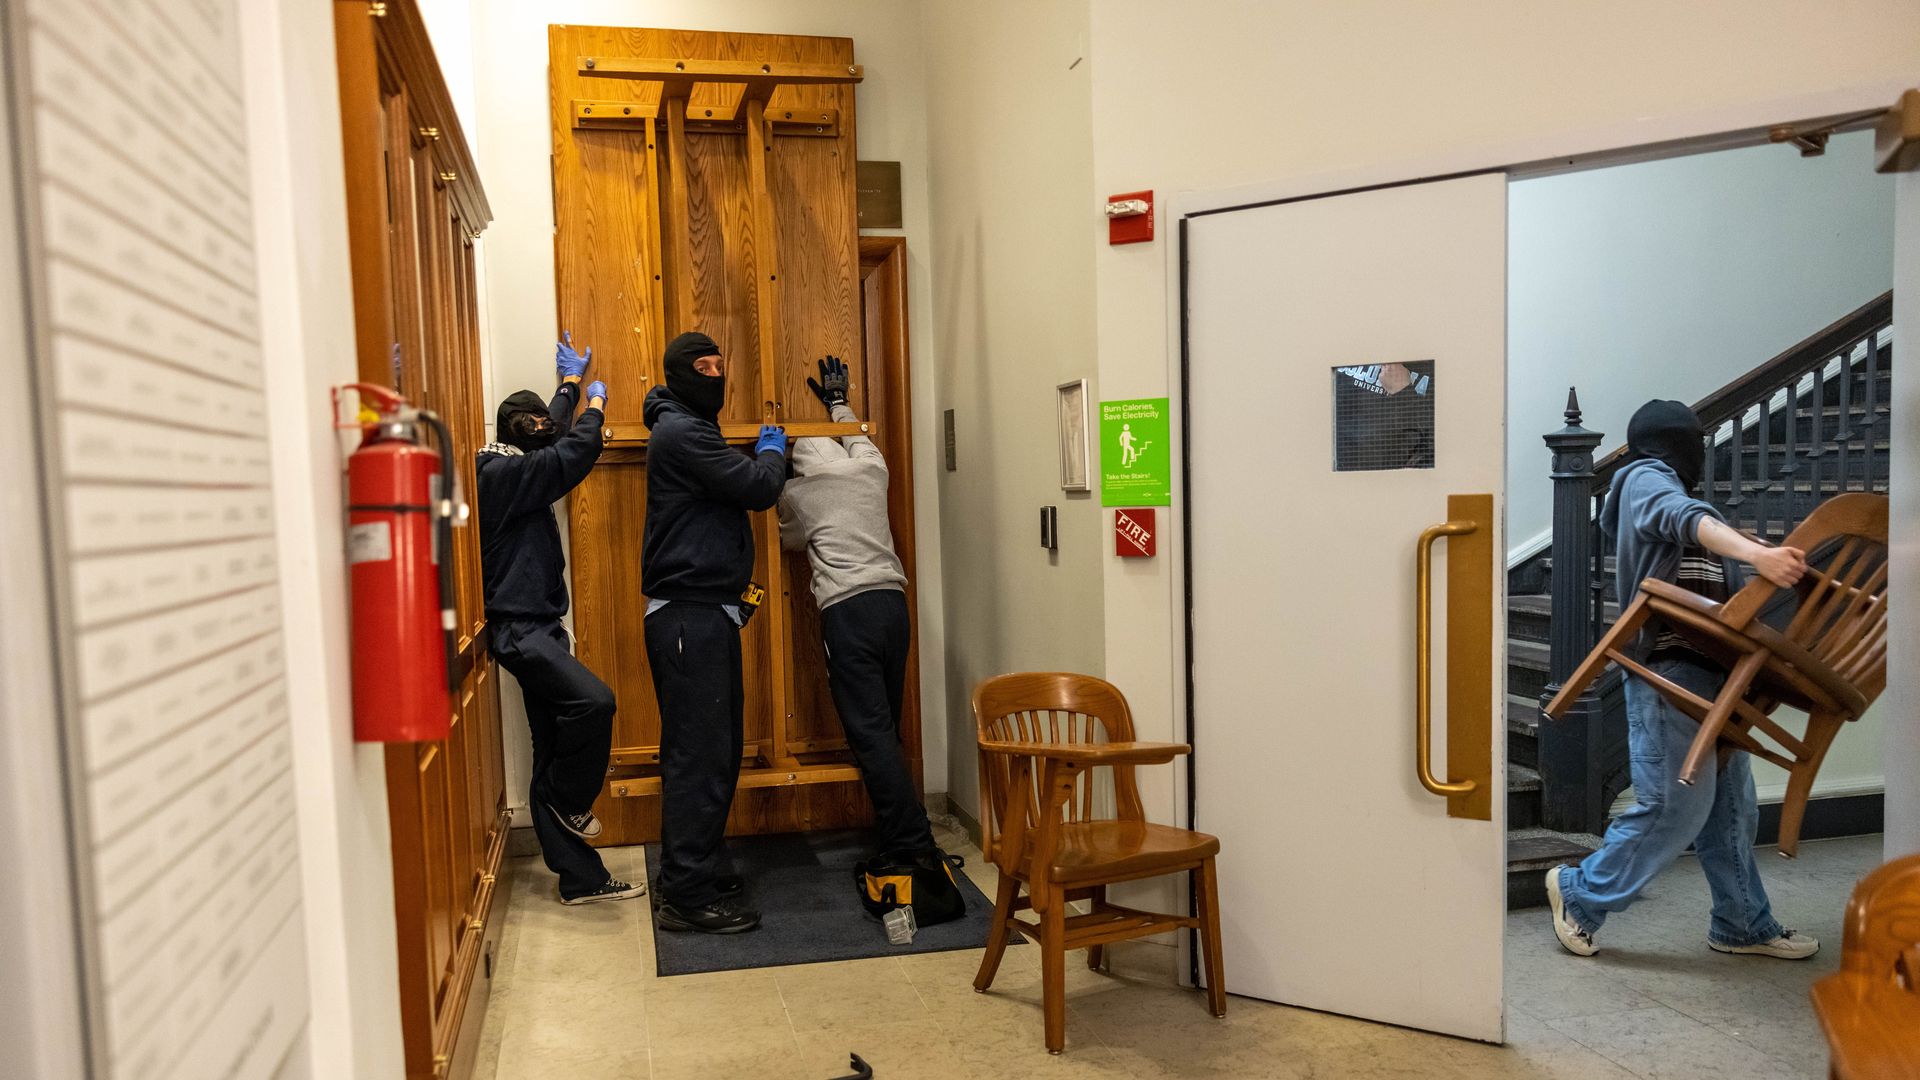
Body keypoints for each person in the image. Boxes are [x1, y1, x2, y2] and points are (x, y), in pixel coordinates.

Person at [1546, 399, 1817, 959]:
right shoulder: (1644, 477)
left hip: (1716, 677)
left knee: (1732, 809)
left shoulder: (1689, 504)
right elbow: (1679, 515)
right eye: (1690, 439)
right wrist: (1756, 554)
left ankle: (1742, 923)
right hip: (1669, 670)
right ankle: (1579, 892)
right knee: (1675, 805)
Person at [478, 333, 642, 905]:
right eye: (537, 424)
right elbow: (567, 455)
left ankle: (580, 879)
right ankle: (568, 800)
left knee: (549, 747)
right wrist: (595, 408)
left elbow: (548, 434)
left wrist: (570, 385)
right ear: (519, 431)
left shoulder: (514, 462)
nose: (546, 427)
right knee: (594, 703)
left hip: (540, 625)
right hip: (520, 630)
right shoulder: (498, 474)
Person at [641, 331, 788, 934]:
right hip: (689, 618)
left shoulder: (688, 428)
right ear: (679, 376)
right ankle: (686, 894)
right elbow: (759, 488)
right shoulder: (683, 432)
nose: (714, 376)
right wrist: (772, 452)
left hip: (702, 615)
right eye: (702, 368)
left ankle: (694, 870)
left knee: (714, 753)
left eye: (718, 366)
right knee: (699, 759)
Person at [778, 355, 941, 865]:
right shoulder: (872, 470)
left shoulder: (800, 491)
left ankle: (912, 845)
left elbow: (787, 540)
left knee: (869, 736)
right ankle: (899, 834)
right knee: (886, 728)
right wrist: (838, 403)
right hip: (893, 605)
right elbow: (859, 438)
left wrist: (776, 473)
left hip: (848, 612)